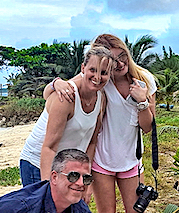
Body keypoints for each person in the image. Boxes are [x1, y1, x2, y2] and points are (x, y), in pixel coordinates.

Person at [44, 34, 157, 213]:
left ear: (127, 55)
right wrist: (56, 82)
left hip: (131, 162)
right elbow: (58, 91)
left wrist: (142, 100)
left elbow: (148, 126)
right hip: (103, 163)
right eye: (112, 58)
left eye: (122, 56)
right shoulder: (100, 79)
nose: (117, 64)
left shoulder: (145, 81)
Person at [19, 46, 113, 199]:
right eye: (92, 70)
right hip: (37, 162)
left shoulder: (101, 99)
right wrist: (47, 190)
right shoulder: (66, 97)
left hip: (67, 167)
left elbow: (92, 143)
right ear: (83, 68)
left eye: (103, 73)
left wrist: (85, 182)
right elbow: (49, 147)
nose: (97, 77)